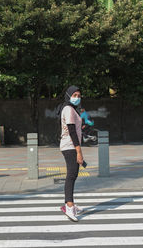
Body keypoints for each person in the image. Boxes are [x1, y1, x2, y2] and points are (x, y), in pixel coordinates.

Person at [58, 85, 84, 222]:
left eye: (79, 96)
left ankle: (69, 203)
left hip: (71, 146)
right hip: (70, 146)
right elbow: (72, 131)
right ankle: (69, 207)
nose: (77, 98)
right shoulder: (68, 109)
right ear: (68, 96)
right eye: (74, 95)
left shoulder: (72, 109)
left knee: (72, 175)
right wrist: (79, 151)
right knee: (71, 175)